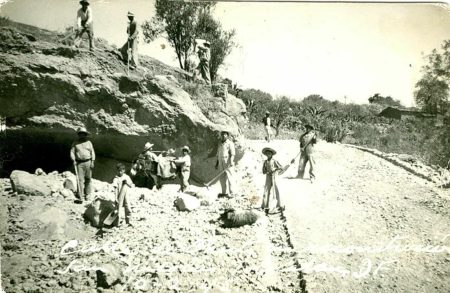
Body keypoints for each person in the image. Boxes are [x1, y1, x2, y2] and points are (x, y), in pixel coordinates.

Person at [70, 127, 95, 201]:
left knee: (88, 178)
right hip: (79, 163)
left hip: (88, 162)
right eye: (80, 134)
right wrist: (73, 159)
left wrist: (92, 161)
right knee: (80, 179)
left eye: (83, 134)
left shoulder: (89, 143)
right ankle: (80, 195)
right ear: (79, 135)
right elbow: (72, 152)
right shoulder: (75, 143)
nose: (82, 135)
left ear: (85, 135)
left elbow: (92, 152)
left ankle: (87, 194)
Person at [261, 147, 284, 214]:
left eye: (269, 154)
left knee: (276, 190)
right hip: (268, 177)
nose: (268, 155)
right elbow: (263, 171)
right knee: (266, 190)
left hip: (274, 176)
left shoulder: (275, 161)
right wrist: (267, 172)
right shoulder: (265, 162)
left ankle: (279, 205)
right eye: (267, 154)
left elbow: (281, 167)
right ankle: (265, 206)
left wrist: (275, 170)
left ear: (272, 154)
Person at [215, 130, 236, 198]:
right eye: (222, 134)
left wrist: (231, 161)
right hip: (221, 161)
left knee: (230, 177)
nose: (224, 136)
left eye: (225, 134)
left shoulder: (230, 143)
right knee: (222, 178)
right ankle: (224, 192)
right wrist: (217, 163)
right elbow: (218, 154)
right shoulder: (220, 144)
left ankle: (232, 192)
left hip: (227, 161)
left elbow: (232, 153)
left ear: (227, 135)